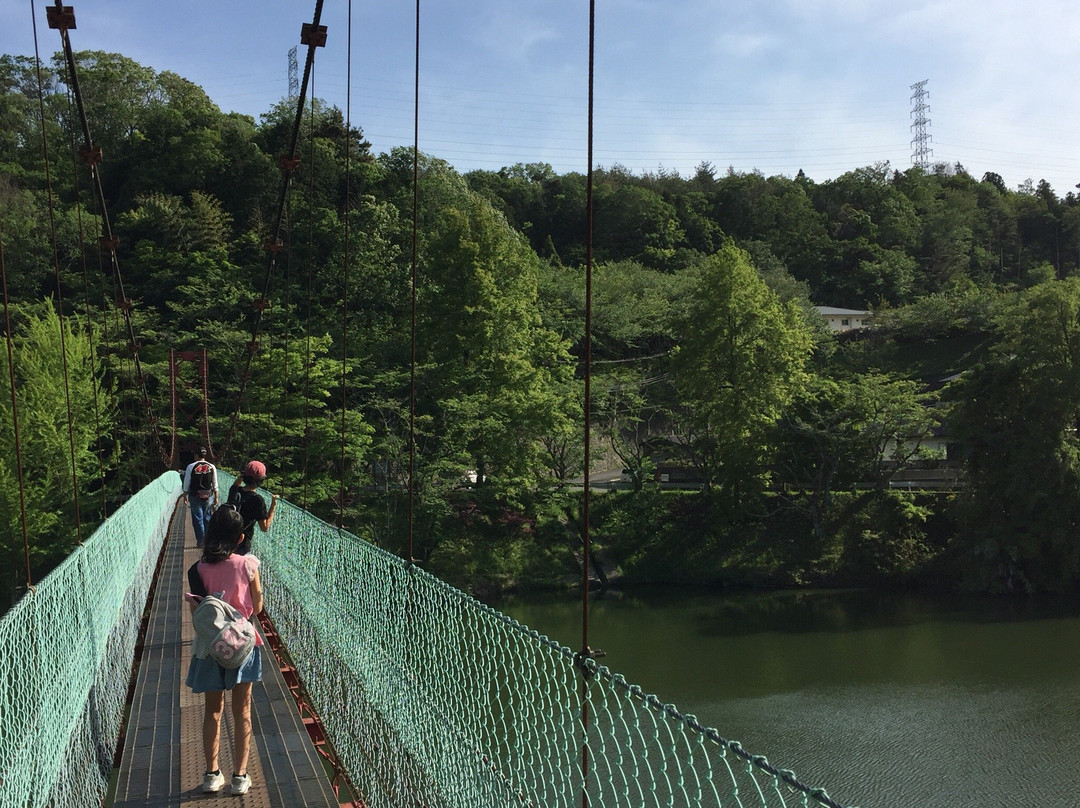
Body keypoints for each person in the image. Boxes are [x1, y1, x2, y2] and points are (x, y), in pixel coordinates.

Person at [185, 506, 263, 796]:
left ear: (211, 534)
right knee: (242, 710)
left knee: (212, 712)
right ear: (241, 537)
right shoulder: (248, 564)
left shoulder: (198, 570)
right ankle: (240, 778)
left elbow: (199, 613)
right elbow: (257, 607)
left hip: (210, 649)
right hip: (243, 646)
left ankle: (211, 775)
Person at [225, 460, 279, 555]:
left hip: (225, 538)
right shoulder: (257, 500)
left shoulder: (234, 490)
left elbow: (236, 484)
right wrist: (273, 505)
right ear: (261, 480)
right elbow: (265, 527)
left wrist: (244, 475)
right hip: (242, 543)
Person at [182, 447, 219, 547]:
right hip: (208, 495)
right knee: (207, 517)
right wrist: (216, 496)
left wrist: (185, 494)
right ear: (205, 455)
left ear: (196, 455)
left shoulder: (190, 466)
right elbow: (215, 482)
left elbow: (187, 481)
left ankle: (201, 541)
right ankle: (208, 540)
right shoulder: (212, 466)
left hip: (194, 495)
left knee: (198, 519)